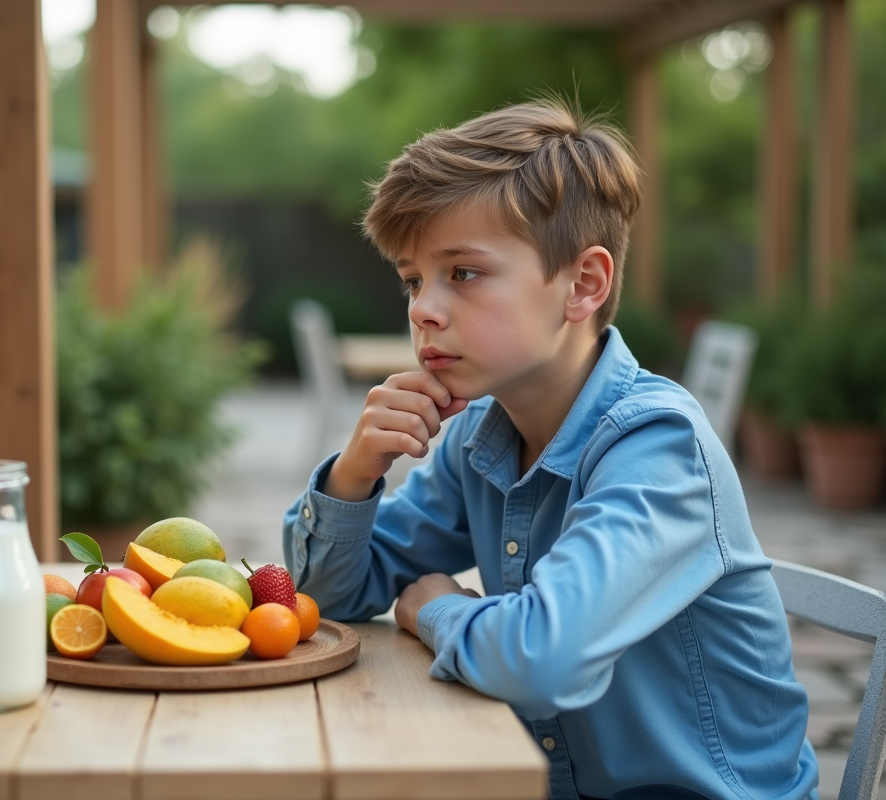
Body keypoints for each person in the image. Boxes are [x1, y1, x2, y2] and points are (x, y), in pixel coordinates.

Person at [281, 97, 818, 799]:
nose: (422, 308)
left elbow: (542, 661)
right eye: (413, 279)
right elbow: (330, 596)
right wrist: (356, 473)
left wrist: (433, 609)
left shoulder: (657, 445)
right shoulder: (479, 431)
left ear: (583, 285)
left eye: (463, 273)